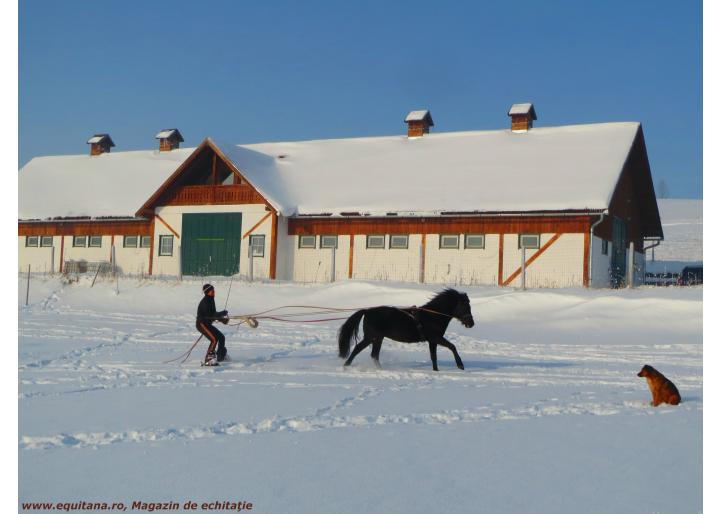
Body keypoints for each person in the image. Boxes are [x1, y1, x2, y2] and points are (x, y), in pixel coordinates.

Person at [196, 283, 230, 366]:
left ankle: (221, 356)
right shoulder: (206, 301)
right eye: (212, 290)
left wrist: (222, 318)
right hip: (202, 324)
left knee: (221, 337)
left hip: (207, 323)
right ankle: (208, 359)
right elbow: (211, 316)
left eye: (214, 290)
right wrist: (221, 315)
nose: (214, 292)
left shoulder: (211, 299)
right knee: (214, 339)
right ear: (207, 292)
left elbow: (213, 314)